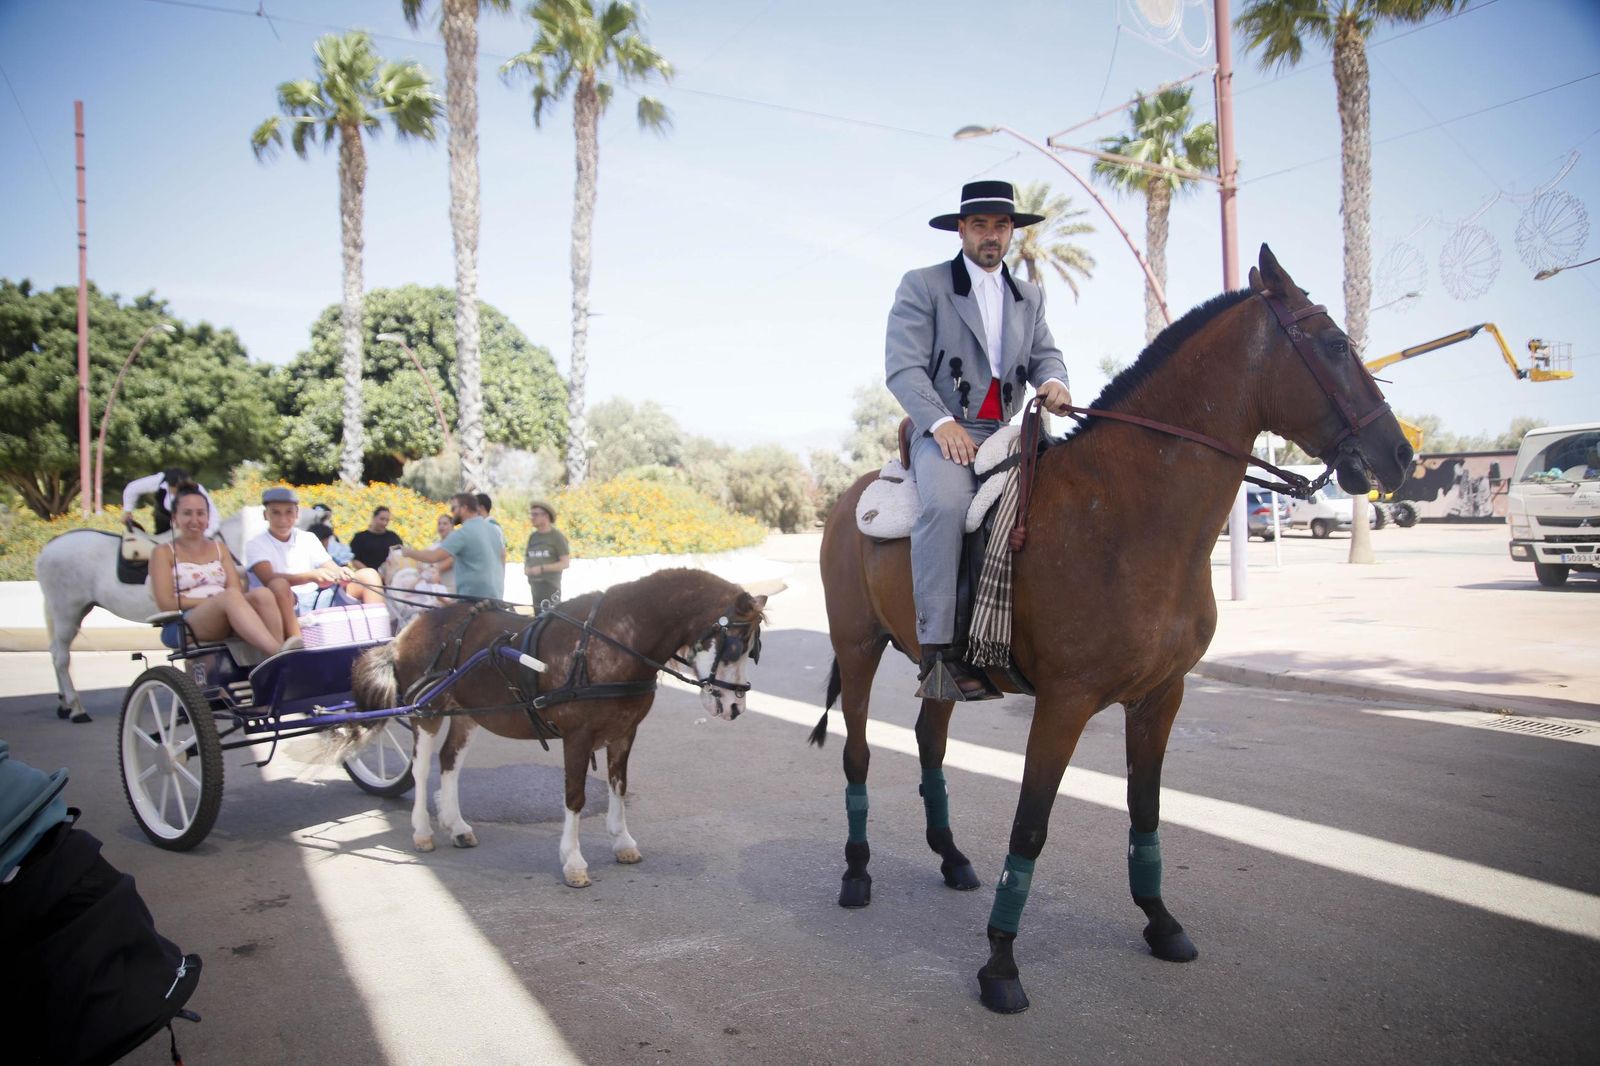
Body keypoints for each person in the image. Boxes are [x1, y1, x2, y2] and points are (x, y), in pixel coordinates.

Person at [885, 179, 1075, 699]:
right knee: (947, 505)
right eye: (981, 225)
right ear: (962, 230)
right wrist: (941, 424)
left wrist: (1055, 381)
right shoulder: (923, 285)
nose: (992, 235)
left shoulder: (1029, 296)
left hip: (1007, 430)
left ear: (1012, 231)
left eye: (1002, 225)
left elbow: (1045, 355)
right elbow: (903, 369)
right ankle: (939, 652)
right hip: (944, 426)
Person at [150, 484, 286, 655]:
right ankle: (277, 654)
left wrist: (222, 600)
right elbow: (166, 603)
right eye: (187, 513)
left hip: (226, 612)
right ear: (175, 518)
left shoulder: (219, 548)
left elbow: (235, 589)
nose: (194, 520)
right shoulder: (163, 552)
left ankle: (275, 654)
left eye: (200, 513)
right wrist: (216, 601)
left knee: (263, 594)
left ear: (208, 518)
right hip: (183, 622)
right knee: (229, 597)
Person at [245, 487, 386, 640]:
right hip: (285, 603)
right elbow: (269, 578)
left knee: (369, 575)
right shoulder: (256, 543)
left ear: (297, 514)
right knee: (279, 585)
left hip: (319, 597)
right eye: (276, 512)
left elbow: (329, 565)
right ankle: (297, 644)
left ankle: (378, 640)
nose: (283, 520)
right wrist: (312, 576)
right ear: (266, 515)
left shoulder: (308, 538)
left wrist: (341, 573)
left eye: (289, 512)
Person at [399, 493, 505, 601]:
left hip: (472, 598)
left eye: (454, 508)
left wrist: (409, 552)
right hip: (496, 596)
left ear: (464, 508)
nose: (452, 512)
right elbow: (502, 557)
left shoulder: (463, 533)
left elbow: (433, 556)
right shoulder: (494, 529)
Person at [121, 467, 217, 537]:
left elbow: (213, 514)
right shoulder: (160, 480)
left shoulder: (198, 490)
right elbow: (132, 488)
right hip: (161, 534)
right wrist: (128, 511)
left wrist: (206, 535)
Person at [523, 500, 571, 611]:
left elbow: (565, 563)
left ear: (545, 516)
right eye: (531, 514)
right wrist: (527, 569)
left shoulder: (556, 537)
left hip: (550, 586)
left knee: (550, 621)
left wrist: (542, 569)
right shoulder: (533, 537)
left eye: (535, 514)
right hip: (535, 586)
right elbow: (528, 557)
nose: (532, 518)